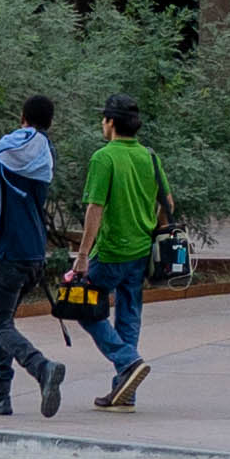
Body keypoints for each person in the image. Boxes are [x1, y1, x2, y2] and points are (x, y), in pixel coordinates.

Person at [0, 94, 68, 419]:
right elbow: (8, 151)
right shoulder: (43, 154)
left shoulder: (9, 156)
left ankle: (42, 368)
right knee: (5, 322)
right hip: (36, 254)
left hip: (10, 252)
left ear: (22, 118)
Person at [76, 94, 172, 409]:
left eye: (103, 119)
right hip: (141, 253)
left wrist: (82, 254)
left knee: (84, 308)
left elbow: (95, 208)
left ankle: (127, 361)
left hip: (110, 251)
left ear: (112, 123)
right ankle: (124, 388)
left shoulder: (104, 158)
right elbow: (167, 205)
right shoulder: (151, 157)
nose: (102, 125)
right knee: (129, 316)